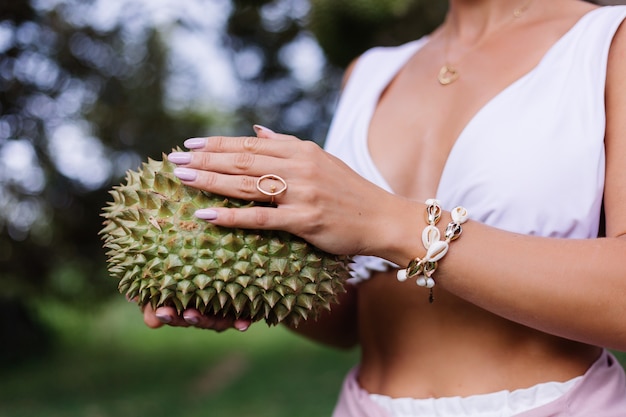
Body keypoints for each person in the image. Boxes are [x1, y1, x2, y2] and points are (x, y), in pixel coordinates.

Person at [143, 0, 626, 415]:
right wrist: (238, 276)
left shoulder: (610, 43)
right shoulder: (369, 73)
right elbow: (354, 318)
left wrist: (388, 221)